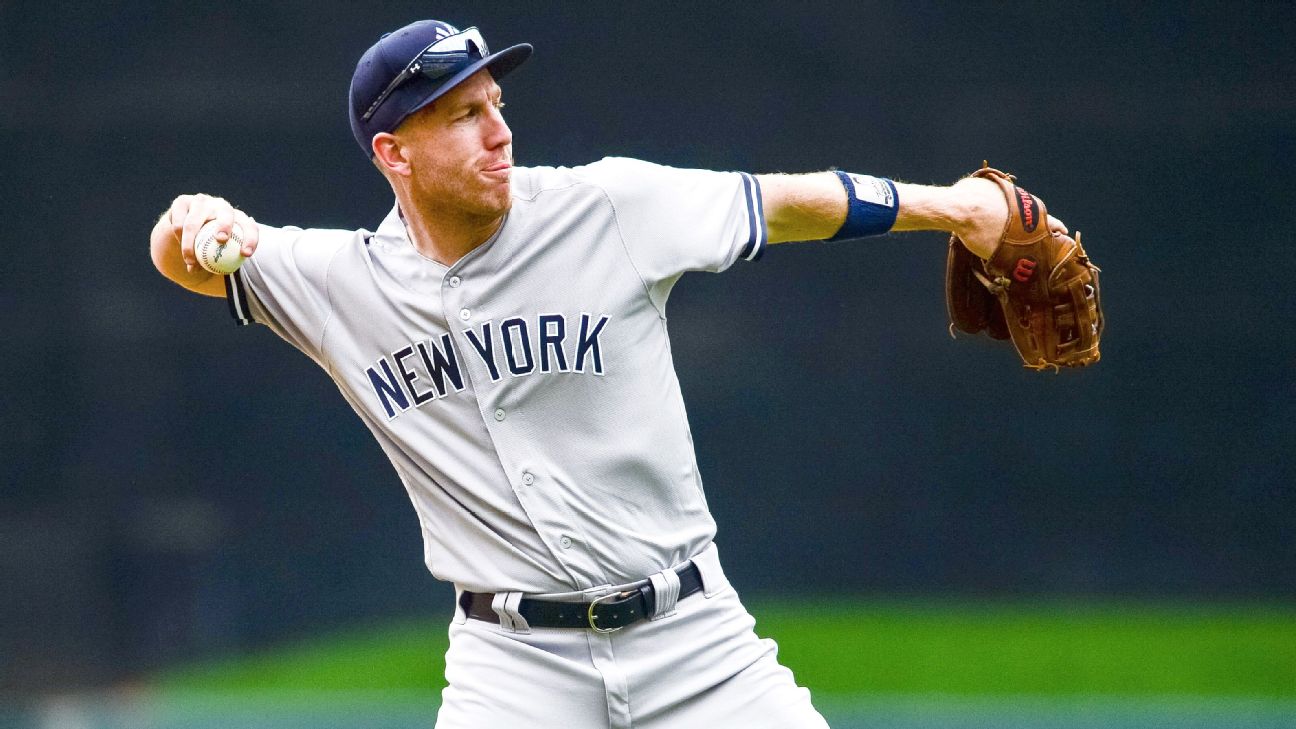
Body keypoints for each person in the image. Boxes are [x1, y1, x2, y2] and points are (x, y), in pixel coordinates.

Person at [150, 19, 1068, 729]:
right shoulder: (339, 282)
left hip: (691, 637)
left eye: (498, 105)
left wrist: (958, 207)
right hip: (511, 665)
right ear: (394, 152)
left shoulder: (607, 206)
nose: (497, 131)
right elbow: (184, 257)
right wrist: (189, 217)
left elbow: (788, 204)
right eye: (464, 115)